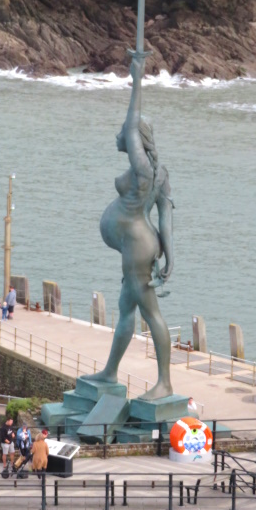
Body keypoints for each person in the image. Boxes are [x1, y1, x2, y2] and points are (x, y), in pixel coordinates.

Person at [83, 54, 175, 400]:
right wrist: (170, 257)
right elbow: (165, 217)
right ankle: (109, 371)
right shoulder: (158, 174)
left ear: (137, 140)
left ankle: (164, 383)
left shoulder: (142, 170)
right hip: (141, 243)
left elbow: (132, 123)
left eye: (122, 133)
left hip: (136, 246)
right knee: (126, 309)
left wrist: (136, 81)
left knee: (150, 311)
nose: (118, 135)